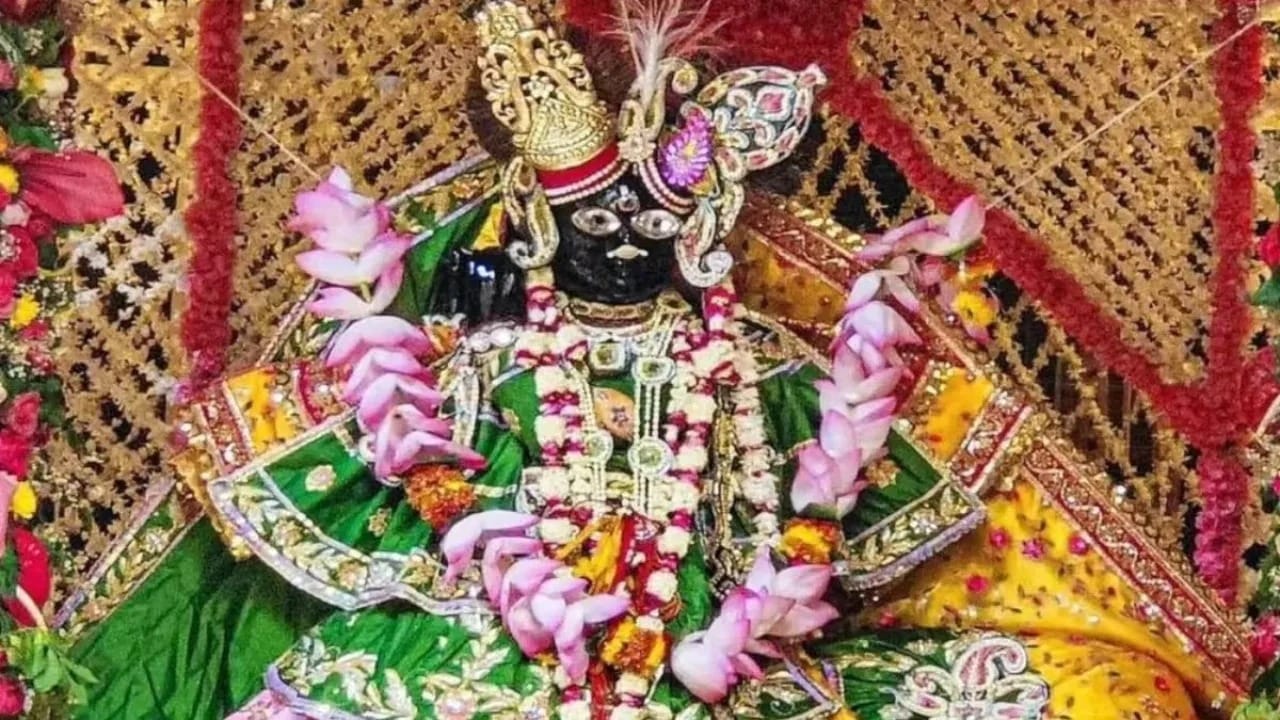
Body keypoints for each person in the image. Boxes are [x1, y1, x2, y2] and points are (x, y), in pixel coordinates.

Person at [65, 3, 1246, 718]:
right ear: (537, 221)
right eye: (597, 217)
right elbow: (346, 445)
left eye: (652, 217)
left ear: (700, 232)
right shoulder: (475, 360)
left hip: (722, 667)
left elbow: (848, 485)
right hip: (486, 653)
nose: (626, 237)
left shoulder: (749, 367)